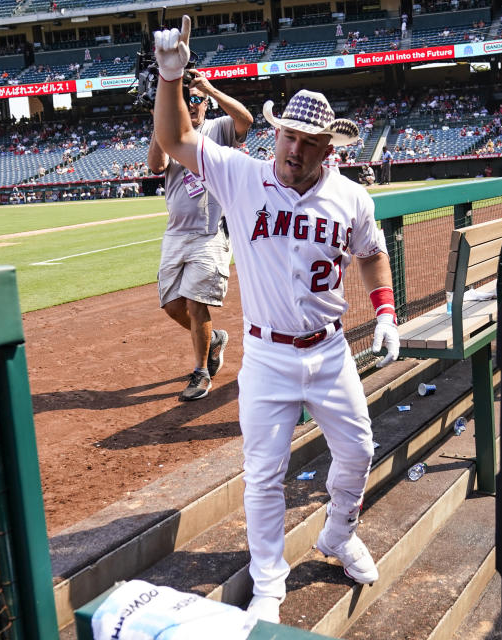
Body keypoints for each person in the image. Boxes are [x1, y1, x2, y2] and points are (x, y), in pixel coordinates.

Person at [152, 16, 400, 628]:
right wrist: (170, 76)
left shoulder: (351, 197)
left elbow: (370, 252)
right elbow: (175, 138)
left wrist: (386, 310)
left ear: (328, 149)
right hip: (266, 355)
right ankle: (268, 578)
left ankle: (338, 535)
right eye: (288, 135)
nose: (293, 149)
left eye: (307, 141)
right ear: (278, 133)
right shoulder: (242, 174)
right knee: (263, 475)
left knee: (359, 450)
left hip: (330, 349)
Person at [147, 68, 254, 401]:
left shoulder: (217, 129)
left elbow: (246, 119)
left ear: (206, 104)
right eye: (185, 100)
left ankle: (201, 372)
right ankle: (215, 340)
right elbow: (155, 166)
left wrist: (210, 88)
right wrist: (159, 120)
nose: (192, 105)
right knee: (172, 305)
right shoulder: (170, 133)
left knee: (196, 303)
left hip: (210, 232)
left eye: (197, 100)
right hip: (176, 234)